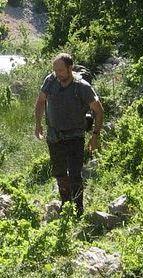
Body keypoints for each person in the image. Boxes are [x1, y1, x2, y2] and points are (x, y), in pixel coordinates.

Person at [35, 52, 104, 215]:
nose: (57, 74)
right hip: (54, 136)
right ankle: (66, 204)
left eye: (60, 70)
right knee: (59, 173)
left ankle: (79, 209)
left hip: (75, 136)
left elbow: (99, 111)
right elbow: (40, 102)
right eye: (55, 70)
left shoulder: (82, 87)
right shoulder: (50, 81)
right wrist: (38, 124)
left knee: (74, 174)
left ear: (70, 68)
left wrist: (95, 135)